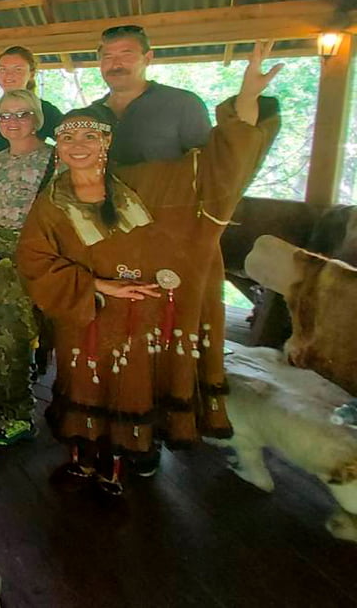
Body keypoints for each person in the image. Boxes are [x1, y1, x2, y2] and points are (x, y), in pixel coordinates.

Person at [16, 43, 282, 495]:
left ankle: (117, 470)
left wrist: (246, 100)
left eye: (89, 137)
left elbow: (218, 169)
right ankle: (82, 463)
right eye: (68, 138)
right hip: (85, 311)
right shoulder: (51, 200)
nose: (78, 146)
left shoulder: (146, 181)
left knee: (129, 385)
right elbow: (33, 258)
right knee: (80, 381)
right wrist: (97, 285)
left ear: (107, 142)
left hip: (136, 315)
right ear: (57, 147)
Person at [0, 89, 52, 446]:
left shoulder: (52, 161)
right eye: (5, 115)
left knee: (14, 335)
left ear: (36, 118)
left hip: (28, 259)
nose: (12, 122)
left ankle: (18, 414)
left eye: (22, 114)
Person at [91, 25, 211, 166]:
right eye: (107, 57)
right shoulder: (92, 113)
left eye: (126, 55)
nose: (116, 65)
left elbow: (206, 166)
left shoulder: (182, 104)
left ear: (147, 58)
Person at [0, 46, 61, 164]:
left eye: (18, 69)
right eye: (3, 69)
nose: (8, 75)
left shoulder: (44, 109)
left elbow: (70, 140)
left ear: (31, 74)